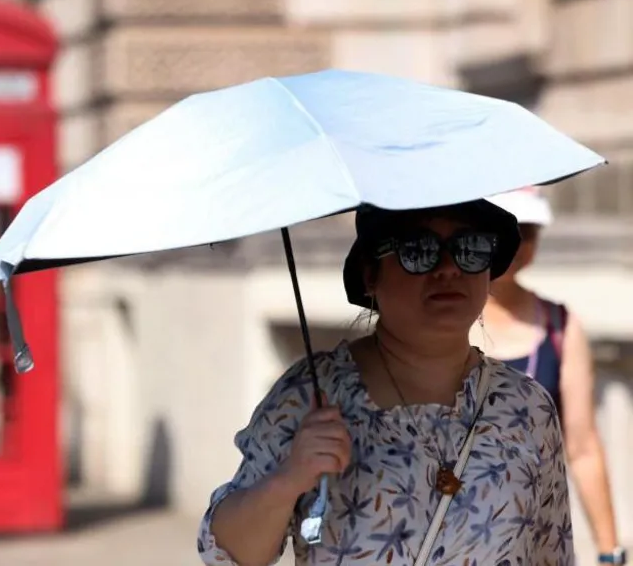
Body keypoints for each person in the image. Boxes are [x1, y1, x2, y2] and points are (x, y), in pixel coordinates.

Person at [198, 200, 573, 565]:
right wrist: (289, 479)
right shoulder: (314, 395)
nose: (447, 268)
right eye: (418, 249)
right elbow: (230, 555)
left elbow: (551, 554)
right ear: (370, 274)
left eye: (469, 247)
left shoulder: (526, 408)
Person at [480, 187, 624, 565]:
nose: (513, 243)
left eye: (525, 231)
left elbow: (583, 448)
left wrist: (611, 552)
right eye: (500, 230)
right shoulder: (440, 322)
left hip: (538, 542)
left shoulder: (560, 325)